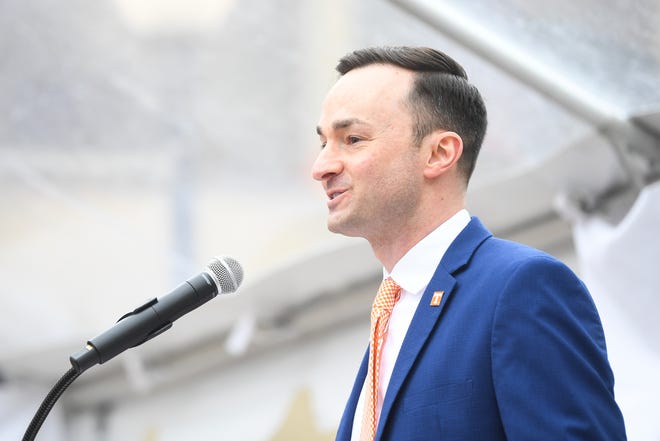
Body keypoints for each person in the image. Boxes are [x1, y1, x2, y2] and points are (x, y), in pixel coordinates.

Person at [311, 46, 626, 441]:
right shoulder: (391, 310)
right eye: (324, 142)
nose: (321, 167)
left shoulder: (521, 288)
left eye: (352, 139)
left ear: (440, 153)